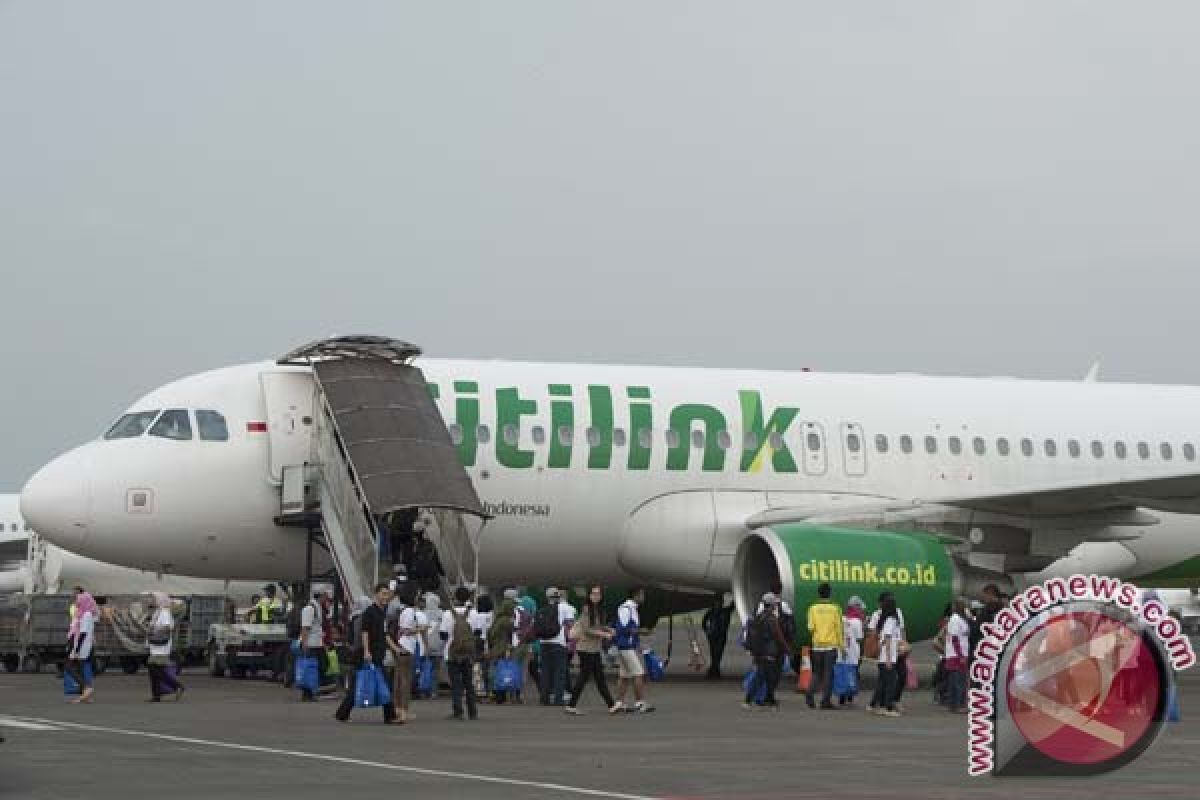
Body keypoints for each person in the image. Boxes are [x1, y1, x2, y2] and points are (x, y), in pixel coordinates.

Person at [335, 584, 397, 724]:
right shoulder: (370, 612)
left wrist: (395, 649)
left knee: (359, 684)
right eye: (382, 593)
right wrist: (367, 651)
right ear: (376, 595)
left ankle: (342, 713)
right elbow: (365, 632)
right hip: (369, 654)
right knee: (384, 684)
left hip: (378, 653)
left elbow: (384, 633)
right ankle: (390, 716)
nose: (385, 597)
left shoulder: (382, 612)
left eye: (387, 594)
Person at [565, 585, 617, 715]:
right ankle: (572, 705)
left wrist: (608, 629)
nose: (596, 596)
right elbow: (587, 630)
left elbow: (598, 625)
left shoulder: (597, 609)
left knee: (597, 678)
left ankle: (611, 705)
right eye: (593, 594)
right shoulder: (587, 609)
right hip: (585, 648)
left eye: (598, 594)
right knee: (585, 677)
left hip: (593, 649)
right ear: (589, 595)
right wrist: (604, 634)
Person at [743, 592, 792, 711]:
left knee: (761, 677)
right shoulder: (771, 619)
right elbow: (778, 636)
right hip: (770, 653)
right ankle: (769, 702)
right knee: (771, 678)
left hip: (759, 653)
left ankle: (751, 700)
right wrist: (787, 649)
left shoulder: (758, 617)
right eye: (774, 604)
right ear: (771, 605)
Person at [612, 586, 654, 713]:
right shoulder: (626, 608)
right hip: (626, 647)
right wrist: (642, 631)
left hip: (626, 646)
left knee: (624, 676)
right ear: (636, 595)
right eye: (642, 594)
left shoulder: (632, 608)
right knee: (638, 673)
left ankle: (619, 702)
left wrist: (638, 642)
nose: (643, 597)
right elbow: (623, 629)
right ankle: (639, 703)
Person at [440, 586, 479, 721]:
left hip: (452, 653)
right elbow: (477, 633)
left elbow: (443, 635)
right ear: (468, 598)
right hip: (468, 653)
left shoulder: (447, 614)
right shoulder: (473, 613)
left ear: (455, 598)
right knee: (469, 683)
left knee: (456, 684)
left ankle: (458, 711)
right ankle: (473, 711)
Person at [386, 583, 423, 723]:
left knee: (399, 679)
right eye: (417, 595)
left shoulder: (400, 609)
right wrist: (421, 629)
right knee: (404, 680)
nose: (418, 597)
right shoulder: (408, 611)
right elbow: (405, 630)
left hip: (401, 646)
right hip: (406, 647)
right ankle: (403, 710)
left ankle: (398, 709)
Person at [805, 582, 844, 710]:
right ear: (830, 593)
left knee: (816, 673)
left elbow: (810, 627)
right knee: (828, 674)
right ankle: (825, 701)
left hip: (817, 645)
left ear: (819, 593)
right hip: (830, 646)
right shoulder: (835, 609)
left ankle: (810, 693)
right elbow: (839, 628)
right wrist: (841, 647)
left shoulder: (812, 608)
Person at [535, 588, 574, 706]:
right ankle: (558, 699)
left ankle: (544, 699)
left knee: (545, 671)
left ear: (547, 597)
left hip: (544, 643)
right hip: (559, 643)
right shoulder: (565, 608)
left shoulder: (542, 609)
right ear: (559, 596)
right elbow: (570, 624)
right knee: (559, 672)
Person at [868, 594, 903, 717]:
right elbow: (888, 638)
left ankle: (878, 706)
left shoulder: (885, 620)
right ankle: (887, 707)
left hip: (885, 657)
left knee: (884, 683)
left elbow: (883, 638)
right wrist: (888, 658)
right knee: (891, 683)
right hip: (888, 657)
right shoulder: (891, 620)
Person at [146, 592, 184, 702]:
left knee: (155, 669)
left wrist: (154, 630)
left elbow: (168, 627)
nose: (152, 601)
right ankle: (157, 695)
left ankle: (176, 686)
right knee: (155, 670)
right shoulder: (157, 612)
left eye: (154, 599)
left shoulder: (164, 612)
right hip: (155, 645)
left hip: (161, 645)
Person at [65, 587, 98, 704]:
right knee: (79, 668)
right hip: (81, 644)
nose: (77, 602)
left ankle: (86, 688)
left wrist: (77, 649)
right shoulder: (84, 613)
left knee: (69, 667)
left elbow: (83, 632)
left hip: (82, 645)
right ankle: (85, 694)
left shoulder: (87, 615)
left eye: (79, 601)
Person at [298, 590, 327, 702]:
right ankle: (307, 694)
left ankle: (312, 692)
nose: (326, 599)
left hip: (317, 643)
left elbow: (317, 628)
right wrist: (305, 644)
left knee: (317, 668)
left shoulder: (318, 607)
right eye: (325, 596)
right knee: (308, 669)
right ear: (320, 596)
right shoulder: (309, 609)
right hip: (310, 644)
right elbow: (305, 627)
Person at [837, 596, 865, 706]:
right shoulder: (857, 621)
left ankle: (841, 696)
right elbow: (859, 638)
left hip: (842, 651)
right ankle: (850, 695)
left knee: (842, 673)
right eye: (859, 607)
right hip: (853, 652)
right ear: (856, 607)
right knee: (853, 673)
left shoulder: (842, 619)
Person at [944, 599, 971, 714]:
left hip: (961, 653)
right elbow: (955, 638)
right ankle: (957, 704)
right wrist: (960, 655)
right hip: (956, 654)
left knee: (959, 680)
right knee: (958, 681)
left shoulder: (961, 619)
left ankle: (956, 704)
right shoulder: (955, 619)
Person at [422, 592, 444, 696]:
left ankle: (423, 689)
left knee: (424, 668)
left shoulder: (422, 613)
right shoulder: (441, 613)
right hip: (438, 645)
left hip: (424, 645)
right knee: (435, 670)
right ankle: (433, 691)